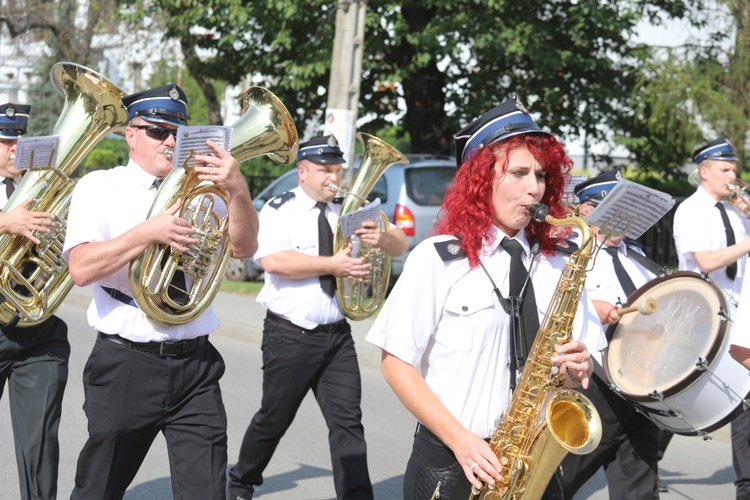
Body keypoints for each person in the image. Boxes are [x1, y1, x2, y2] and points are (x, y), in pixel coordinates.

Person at [365, 96, 606, 499]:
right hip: (451, 460)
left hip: (532, 462)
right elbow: (396, 364)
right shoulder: (439, 258)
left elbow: (573, 371)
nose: (535, 188)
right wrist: (460, 440)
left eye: (542, 175)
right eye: (519, 173)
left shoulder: (563, 263)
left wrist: (578, 367)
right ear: (481, 180)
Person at [62, 83, 258, 499]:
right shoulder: (100, 186)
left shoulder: (206, 189)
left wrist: (238, 189)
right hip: (126, 364)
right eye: (157, 131)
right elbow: (80, 268)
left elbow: (244, 248)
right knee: (98, 489)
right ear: (131, 134)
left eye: (178, 133)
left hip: (196, 366)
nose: (169, 141)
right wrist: (148, 233)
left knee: (207, 492)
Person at [227, 134, 409, 500]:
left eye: (339, 171)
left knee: (348, 424)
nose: (334, 179)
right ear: (303, 171)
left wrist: (382, 239)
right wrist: (333, 265)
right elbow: (272, 260)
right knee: (273, 418)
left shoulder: (349, 207)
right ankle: (241, 480)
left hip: (336, 335)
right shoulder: (281, 208)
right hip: (289, 335)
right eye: (325, 170)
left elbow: (401, 243)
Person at [560, 170, 664, 499]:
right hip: (593, 385)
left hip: (640, 385)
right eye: (616, 210)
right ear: (587, 210)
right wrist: (591, 304)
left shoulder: (637, 258)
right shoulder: (566, 253)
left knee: (639, 489)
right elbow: (549, 300)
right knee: (556, 481)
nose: (625, 221)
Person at [673, 136, 750, 500]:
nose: (732, 176)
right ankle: (644, 443)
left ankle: (745, 486)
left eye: (734, 169)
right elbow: (707, 261)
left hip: (737, 316)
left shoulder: (735, 211)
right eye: (724, 169)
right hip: (703, 317)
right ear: (704, 172)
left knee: (743, 399)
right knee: (682, 399)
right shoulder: (691, 210)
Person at [0, 103, 69, 500]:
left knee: (40, 446)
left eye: (20, 138)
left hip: (37, 332)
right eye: (6, 139)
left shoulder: (46, 189)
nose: (16, 147)